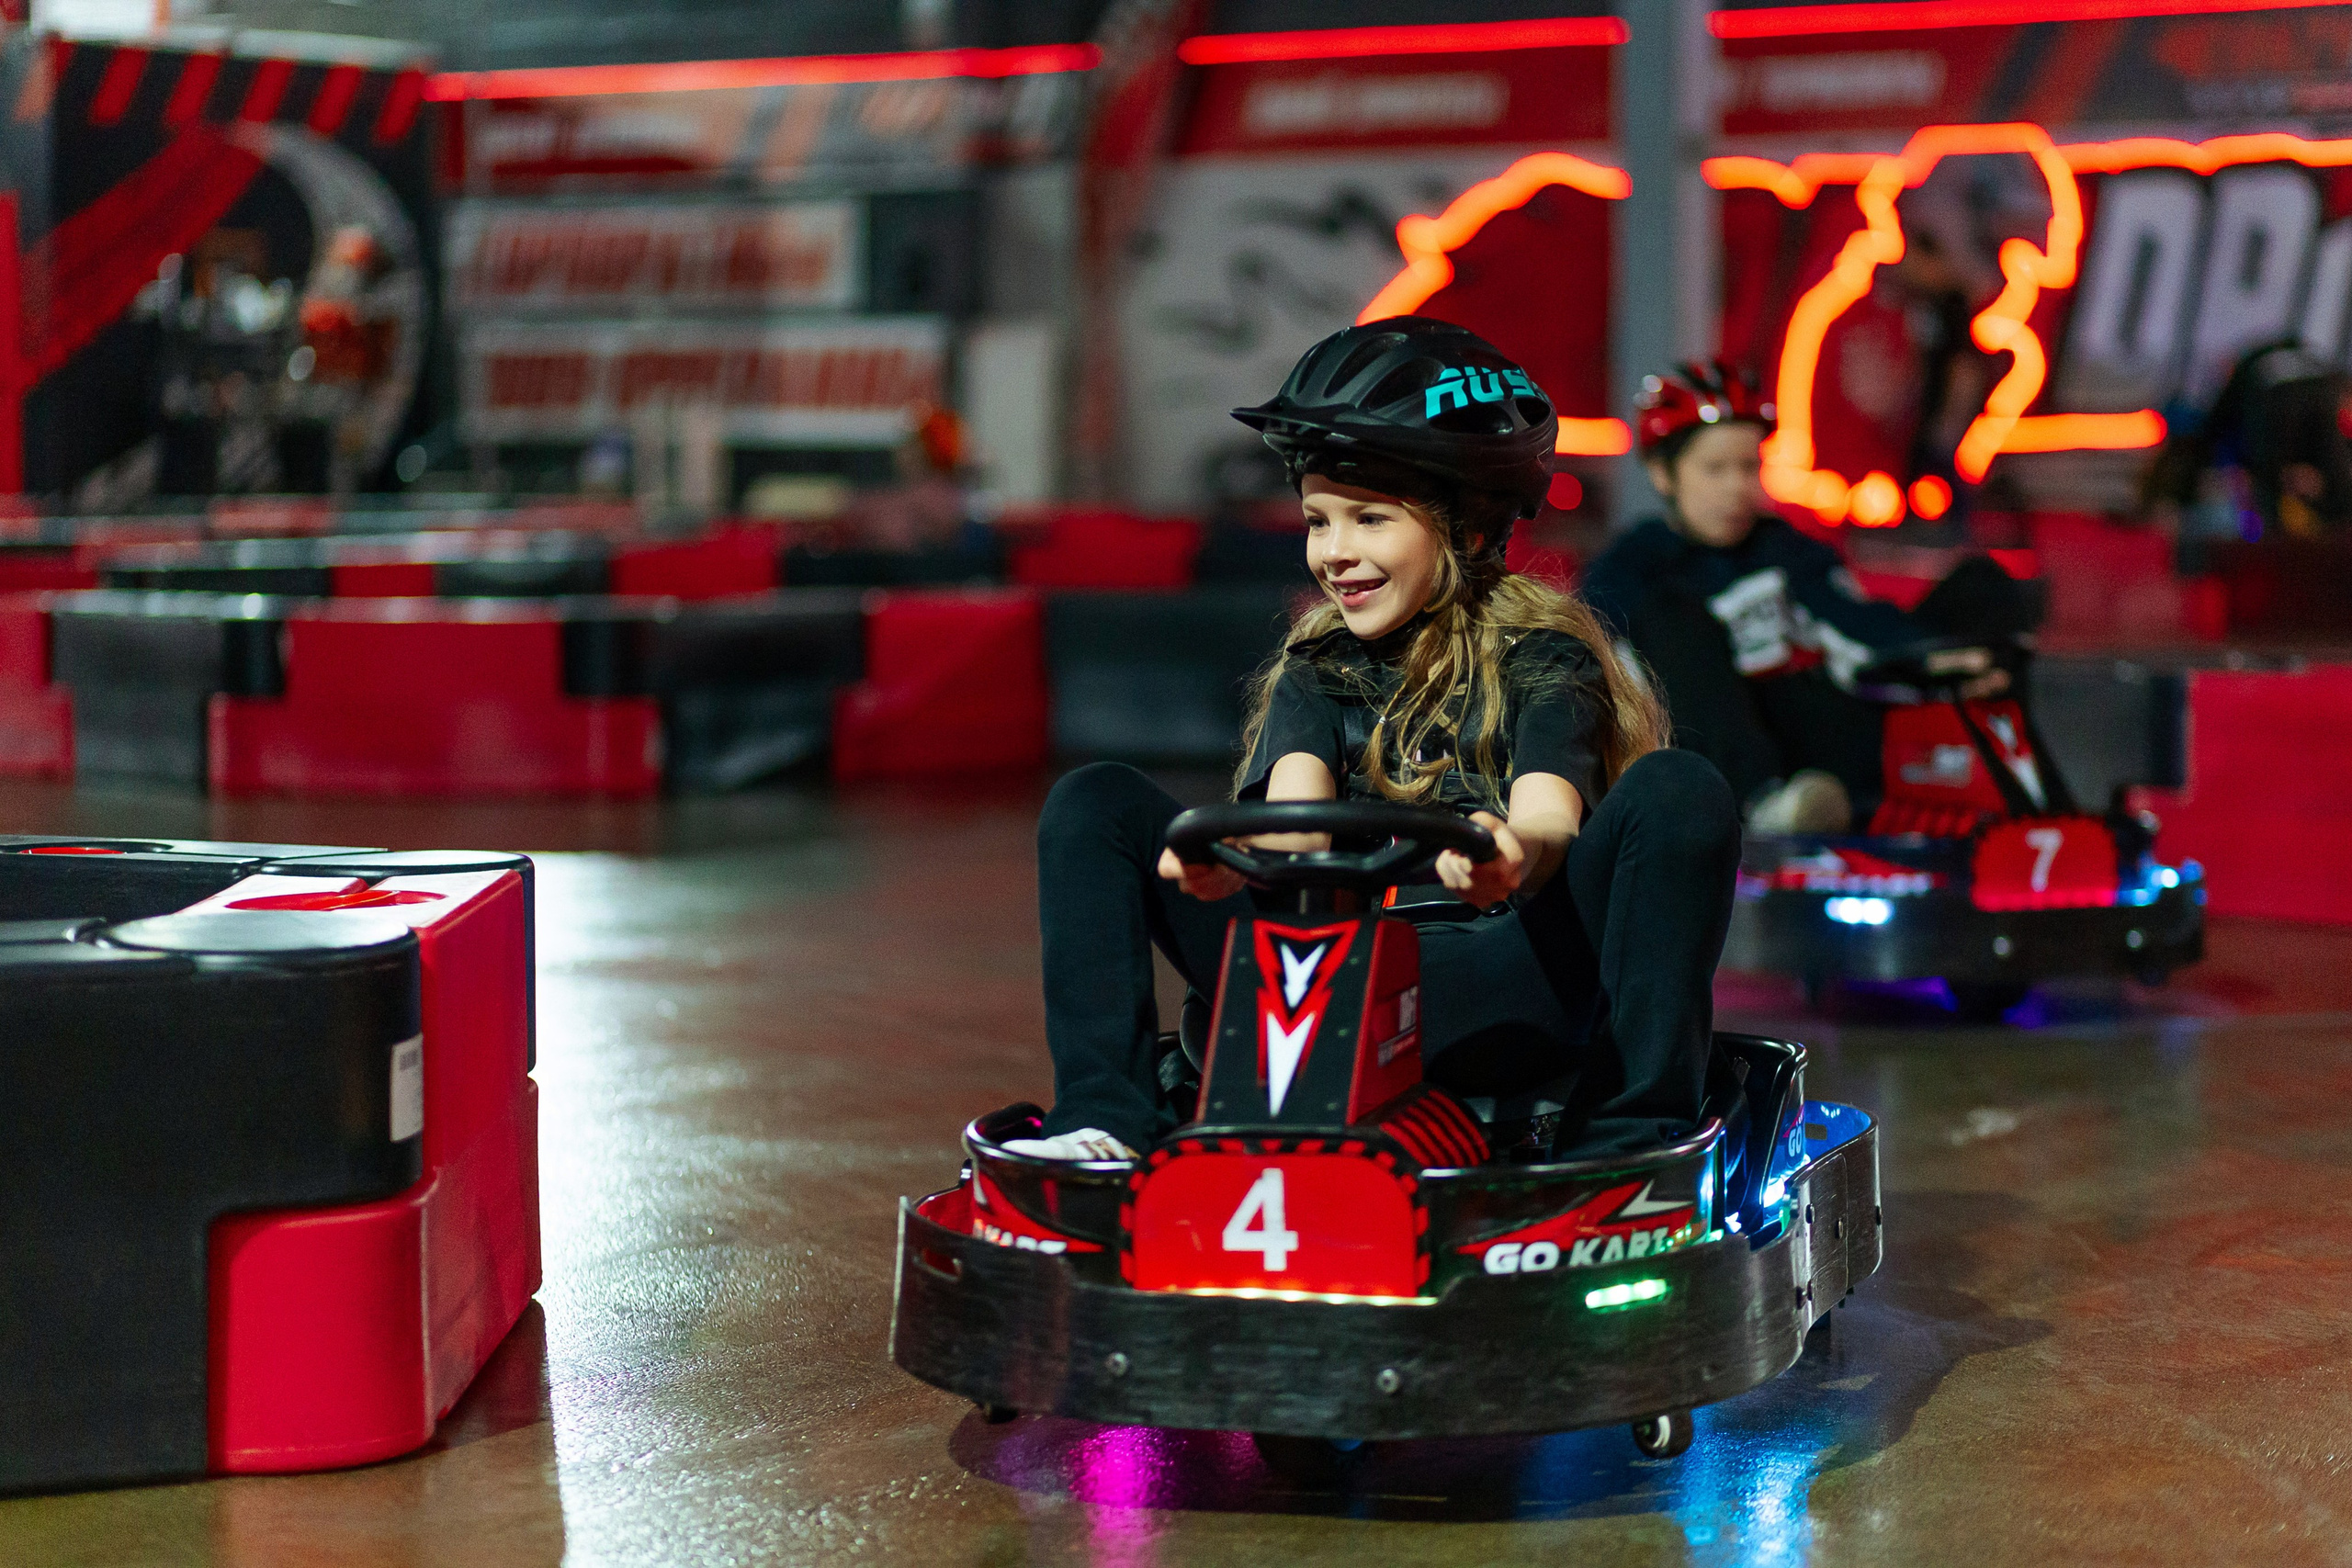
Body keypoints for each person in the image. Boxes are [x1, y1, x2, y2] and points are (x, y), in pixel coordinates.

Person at [1009, 318, 1742, 1164]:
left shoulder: (1542, 658)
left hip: (1499, 984)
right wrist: (1228, 864)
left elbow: (1550, 816)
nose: (1336, 554)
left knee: (1678, 788)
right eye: (1319, 522)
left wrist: (1511, 856)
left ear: (1468, 528)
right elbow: (1296, 828)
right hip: (1330, 988)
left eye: (1368, 519)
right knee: (1093, 800)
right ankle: (1107, 1123)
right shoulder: (1318, 668)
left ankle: (1628, 1142)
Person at [1579, 362, 2039, 836]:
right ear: (1662, 474)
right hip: (1729, 755)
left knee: (1981, 582)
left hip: (1835, 727)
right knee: (1665, 615)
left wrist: (1943, 658)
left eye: (1749, 467)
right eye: (1715, 470)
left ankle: (2025, 793)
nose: (1738, 488)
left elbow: (1852, 624)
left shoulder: (1787, 550)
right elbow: (1595, 685)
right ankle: (1765, 807)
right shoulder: (1632, 568)